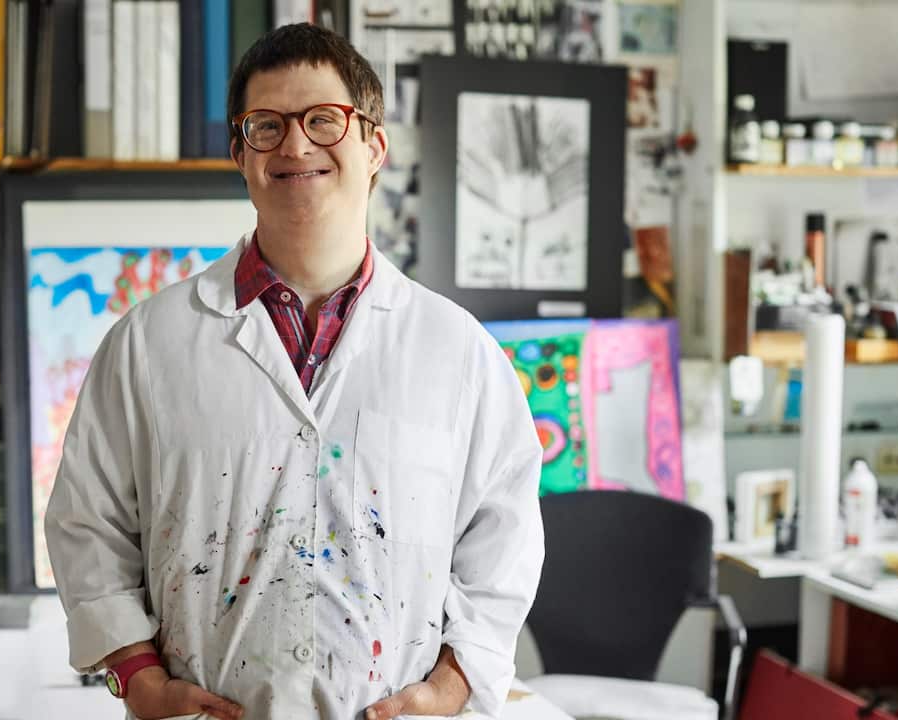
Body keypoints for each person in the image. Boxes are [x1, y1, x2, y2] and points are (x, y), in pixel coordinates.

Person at [45, 22, 543, 720]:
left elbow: (505, 541)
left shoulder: (458, 352)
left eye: (323, 120)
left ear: (373, 146)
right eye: (266, 126)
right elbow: (85, 523)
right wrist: (136, 674)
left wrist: (455, 684)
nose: (296, 145)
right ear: (240, 155)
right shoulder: (147, 345)